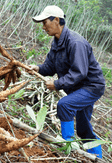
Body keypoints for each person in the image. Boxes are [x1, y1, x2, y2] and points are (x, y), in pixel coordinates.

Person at [28, 5, 105, 158]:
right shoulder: (56, 43)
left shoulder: (75, 43)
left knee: (64, 105)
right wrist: (37, 68)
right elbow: (50, 67)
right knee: (83, 128)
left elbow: (79, 72)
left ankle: (67, 148)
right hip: (77, 88)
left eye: (45, 22)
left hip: (91, 87)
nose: (43, 27)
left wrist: (56, 84)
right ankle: (98, 157)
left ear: (56, 20)